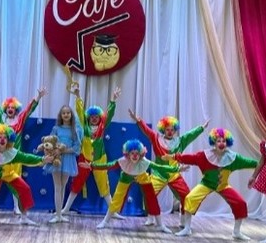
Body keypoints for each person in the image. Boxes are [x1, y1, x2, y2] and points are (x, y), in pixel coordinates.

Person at [163, 127, 258, 239]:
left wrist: (263, 163)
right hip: (206, 184)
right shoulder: (204, 156)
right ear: (214, 143)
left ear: (227, 143)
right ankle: (187, 228)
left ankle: (236, 232)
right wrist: (173, 157)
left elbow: (250, 162)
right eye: (218, 141)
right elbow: (189, 158)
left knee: (240, 202)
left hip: (222, 186)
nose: (221, 143)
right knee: (190, 198)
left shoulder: (233, 158)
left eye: (224, 141)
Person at [129, 108, 208, 227]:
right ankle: (151, 217)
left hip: (174, 174)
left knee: (186, 195)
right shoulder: (156, 138)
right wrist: (138, 120)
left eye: (172, 130)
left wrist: (201, 128)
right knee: (149, 192)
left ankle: (183, 219)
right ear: (163, 130)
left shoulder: (180, 141)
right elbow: (146, 130)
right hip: (159, 173)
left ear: (175, 130)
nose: (170, 132)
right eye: (167, 130)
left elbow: (191, 135)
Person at [0, 82, 47, 215]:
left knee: (16, 180)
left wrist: (38, 97)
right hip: (0, 155)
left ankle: (16, 207)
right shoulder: (1, 119)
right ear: (5, 109)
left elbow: (29, 110)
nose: (10, 109)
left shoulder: (19, 120)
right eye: (8, 107)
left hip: (14, 157)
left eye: (12, 107)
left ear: (16, 110)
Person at [61, 85, 122, 216]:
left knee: (104, 185)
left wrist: (113, 100)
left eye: (96, 117)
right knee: (77, 183)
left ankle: (113, 212)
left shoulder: (102, 127)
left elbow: (109, 114)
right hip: (85, 158)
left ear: (100, 118)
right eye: (92, 116)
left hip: (100, 159)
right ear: (88, 118)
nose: (94, 118)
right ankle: (65, 209)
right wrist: (78, 96)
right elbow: (80, 111)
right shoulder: (85, 126)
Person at [94, 139, 176, 233]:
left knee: (152, 198)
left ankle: (160, 225)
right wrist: (92, 165)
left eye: (137, 153)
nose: (135, 156)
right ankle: (105, 222)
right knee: (117, 198)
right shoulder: (123, 161)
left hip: (142, 175)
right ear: (128, 154)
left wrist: (176, 169)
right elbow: (108, 165)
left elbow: (159, 167)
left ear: (141, 154)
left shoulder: (144, 162)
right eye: (132, 153)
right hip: (126, 176)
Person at [44, 104, 82, 224]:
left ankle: (60, 215)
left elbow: (77, 147)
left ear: (71, 115)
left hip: (68, 159)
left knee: (63, 186)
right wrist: (53, 151)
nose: (66, 115)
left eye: (68, 113)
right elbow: (49, 143)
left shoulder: (74, 130)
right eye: (63, 113)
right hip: (57, 159)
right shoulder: (56, 128)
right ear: (60, 115)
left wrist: (63, 150)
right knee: (57, 186)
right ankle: (58, 215)